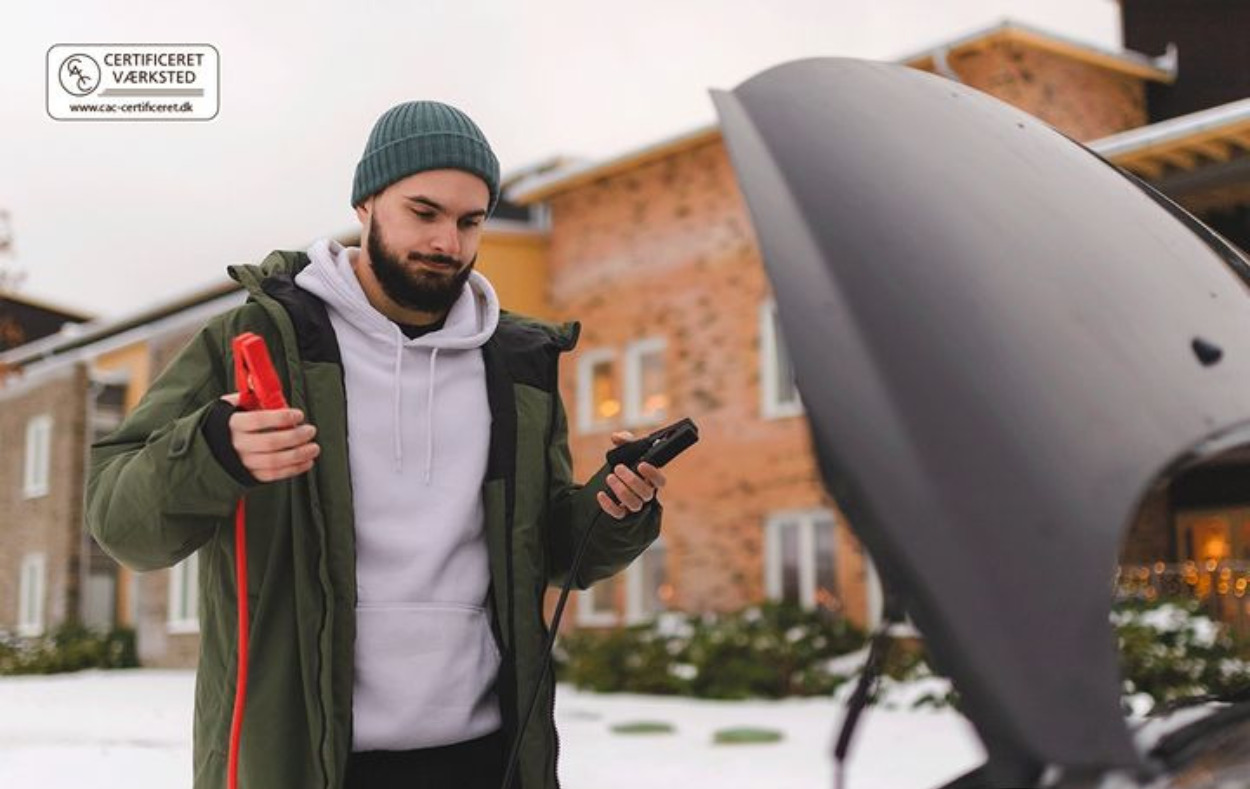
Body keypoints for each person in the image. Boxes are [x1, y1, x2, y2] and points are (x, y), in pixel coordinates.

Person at [86, 100, 667, 789]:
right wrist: (213, 448)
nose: (447, 241)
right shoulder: (262, 338)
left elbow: (548, 553)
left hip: (487, 756)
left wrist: (616, 508)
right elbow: (121, 524)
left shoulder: (517, 363)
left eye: (469, 220)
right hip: (307, 759)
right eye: (424, 212)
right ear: (365, 206)